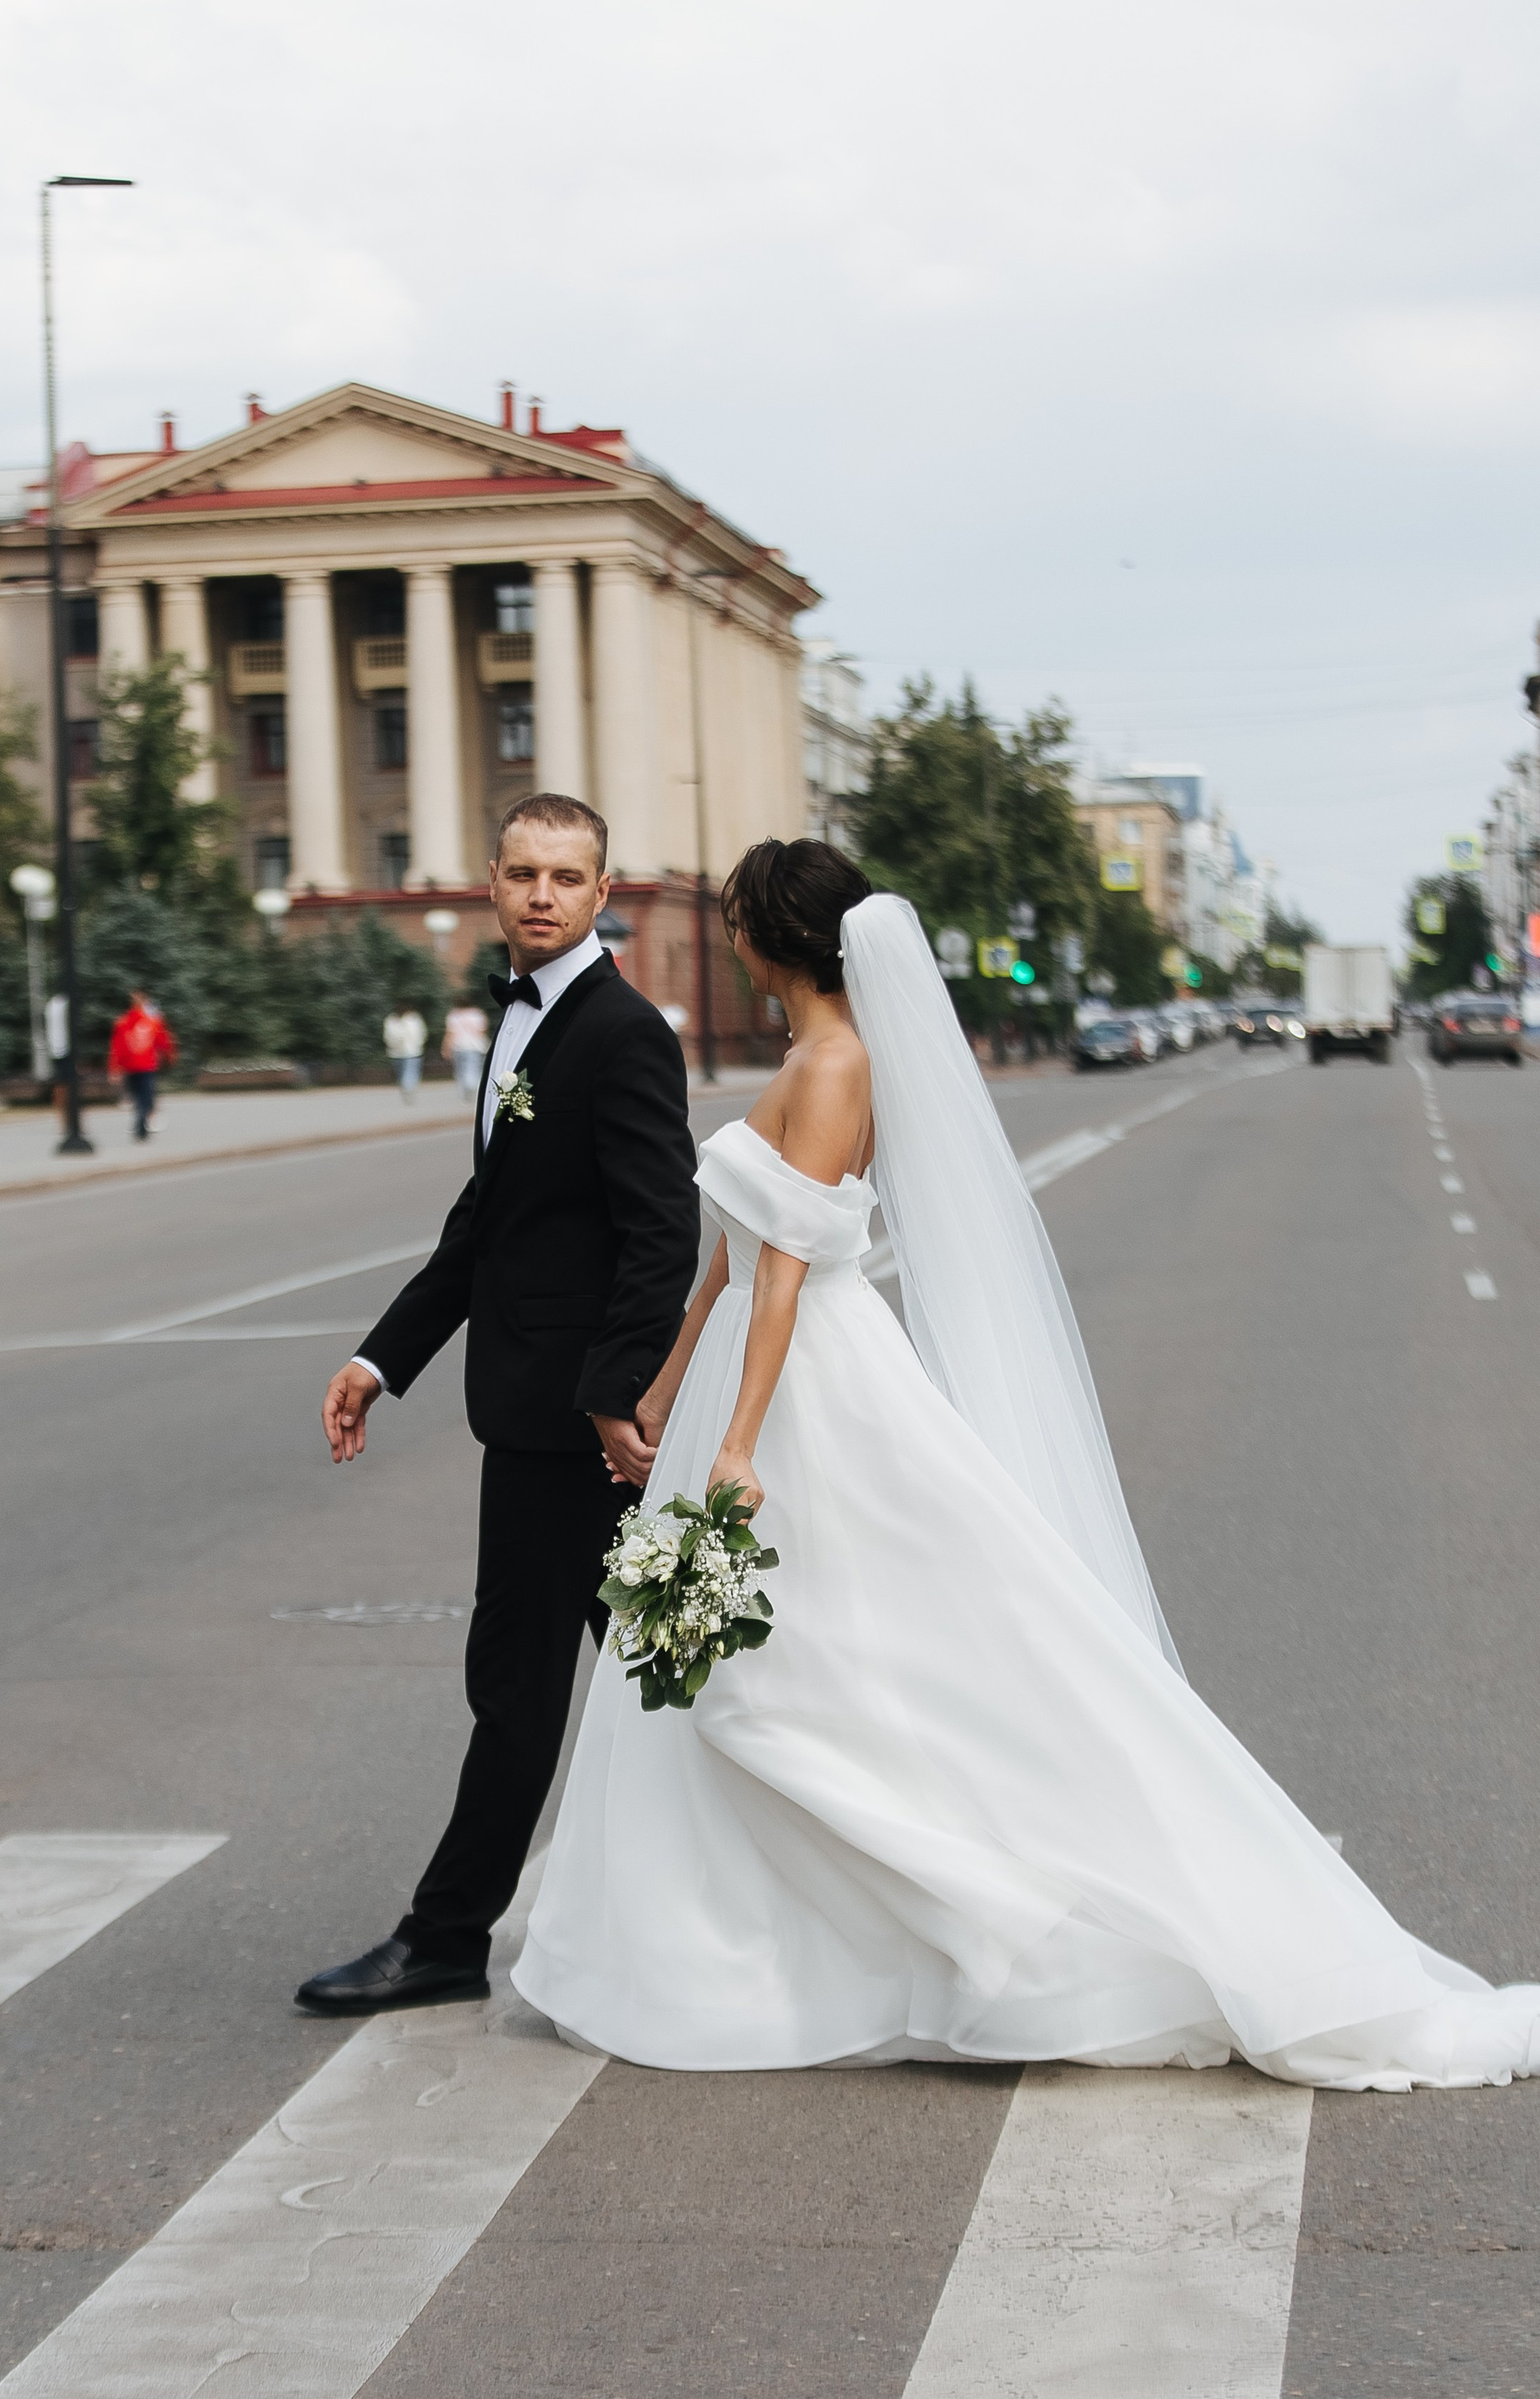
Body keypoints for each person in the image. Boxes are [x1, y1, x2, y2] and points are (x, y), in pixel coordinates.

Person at [511, 840, 1540, 2091]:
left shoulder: (838, 1066)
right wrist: (671, 1390)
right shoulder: (800, 1057)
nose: (727, 937)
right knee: (738, 1663)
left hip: (813, 1387)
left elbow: (787, 1274)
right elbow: (731, 1259)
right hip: (742, 1370)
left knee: (810, 1660)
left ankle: (959, 1922)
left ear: (773, 938)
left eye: (735, 920)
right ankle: (717, 1933)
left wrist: (733, 1442)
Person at [302, 793, 700, 2018]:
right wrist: (385, 1357)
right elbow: (488, 1226)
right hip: (542, 1421)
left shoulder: (621, 1031)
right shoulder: (517, 1026)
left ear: (601, 891)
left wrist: (608, 1398)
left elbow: (661, 1232)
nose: (540, 894)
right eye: (522, 873)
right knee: (674, 1683)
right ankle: (709, 1922)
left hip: (577, 1434)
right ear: (490, 882)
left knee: (570, 1687)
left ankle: (445, 1938)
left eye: (565, 877)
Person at [109, 991, 176, 1140]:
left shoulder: (123, 1022)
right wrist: (169, 1057)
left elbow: (116, 1047)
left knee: (138, 1094)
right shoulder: (151, 1021)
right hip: (145, 1065)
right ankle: (142, 1119)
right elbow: (163, 1042)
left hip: (133, 1065)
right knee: (145, 1094)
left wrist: (115, 1067)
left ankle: (141, 1119)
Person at [442, 995, 490, 1106]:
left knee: (460, 1071)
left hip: (459, 1046)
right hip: (475, 1046)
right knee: (474, 1068)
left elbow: (450, 1033)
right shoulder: (477, 1014)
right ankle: (474, 1085)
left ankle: (465, 1092)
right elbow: (482, 1031)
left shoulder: (454, 1015)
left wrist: (446, 1048)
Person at [383, 1000, 428, 1103]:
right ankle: (407, 1088)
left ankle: (409, 1088)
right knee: (401, 1073)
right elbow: (388, 1036)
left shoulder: (414, 1019)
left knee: (410, 1072)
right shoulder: (391, 1020)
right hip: (397, 1052)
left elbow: (421, 1034)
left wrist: (418, 1044)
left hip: (412, 1051)